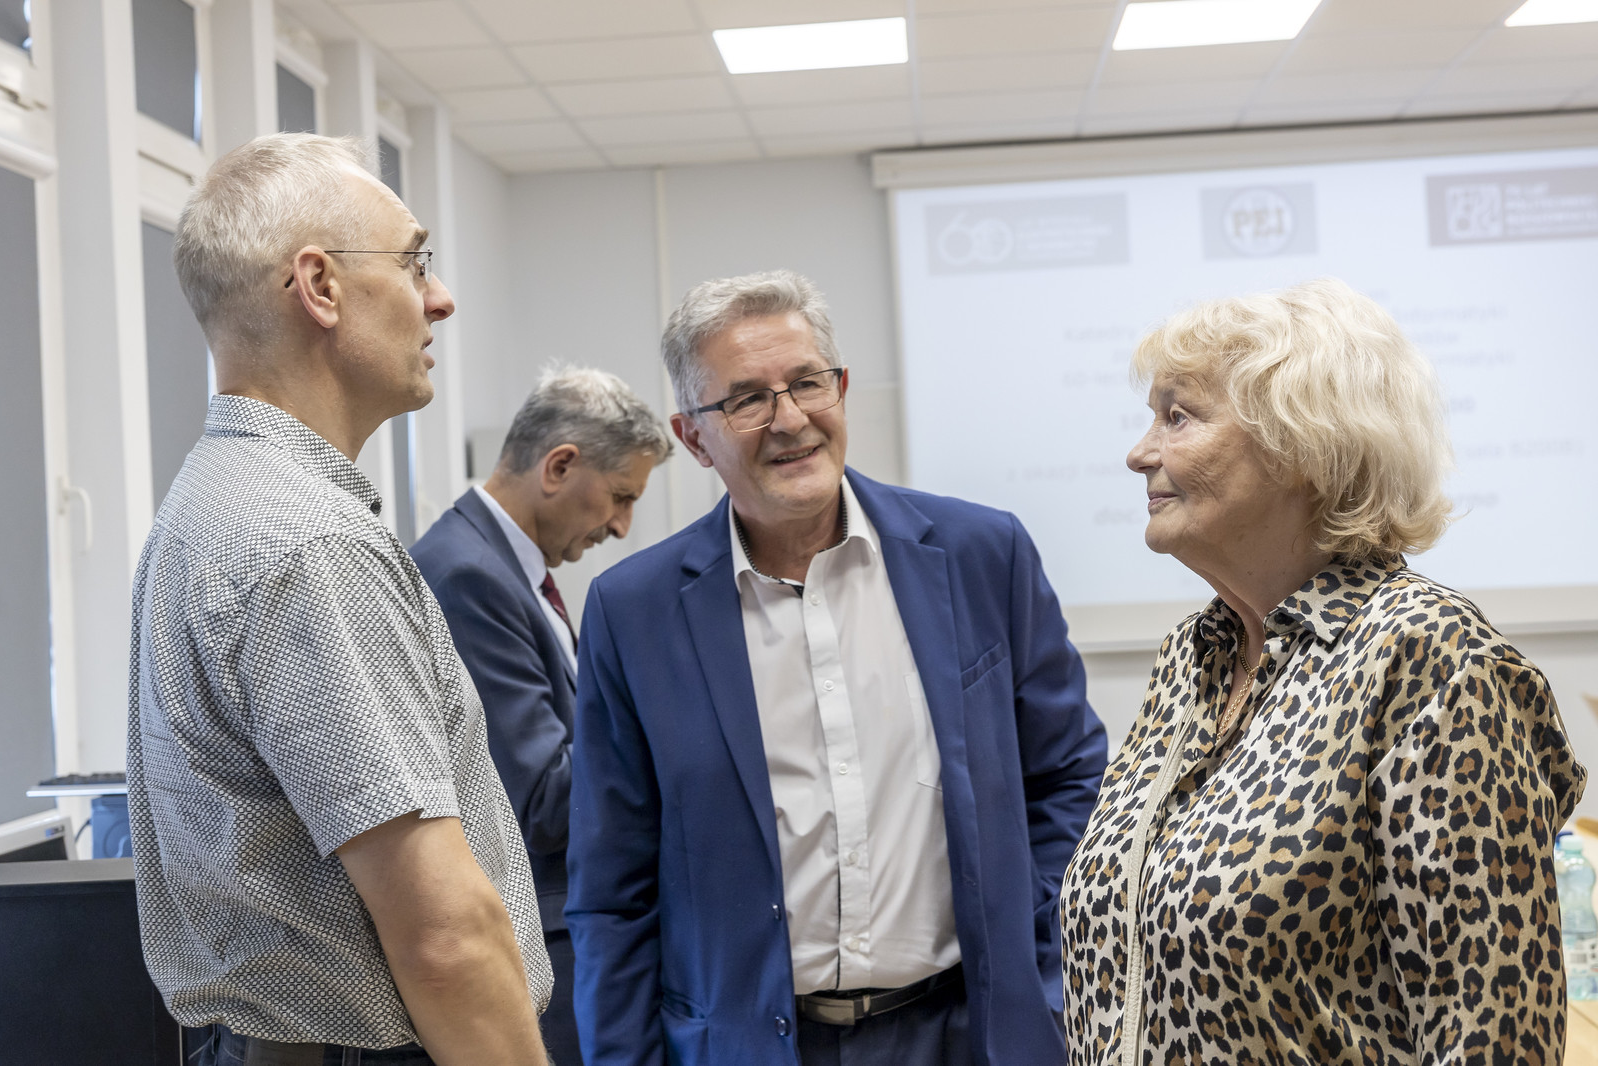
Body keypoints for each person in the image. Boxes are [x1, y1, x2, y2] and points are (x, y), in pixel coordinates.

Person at [566, 269, 1108, 1066]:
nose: (790, 420)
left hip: (970, 1034)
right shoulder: (634, 612)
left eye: (808, 383)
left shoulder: (982, 556)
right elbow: (612, 890)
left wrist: (1042, 960)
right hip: (753, 1047)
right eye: (747, 400)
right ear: (694, 438)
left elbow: (1068, 776)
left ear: (841, 389)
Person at [1060, 277, 1588, 1065]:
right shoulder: (1189, 658)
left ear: (1300, 448)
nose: (1140, 453)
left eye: (1178, 416)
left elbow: (1493, 1035)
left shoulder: (1432, 660)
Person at [125, 133, 553, 1066]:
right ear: (319, 286)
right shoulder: (308, 545)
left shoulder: (214, 498)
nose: (440, 298)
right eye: (413, 262)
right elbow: (442, 936)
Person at [410, 366, 672, 1064]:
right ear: (559, 466)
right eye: (621, 497)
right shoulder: (467, 574)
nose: (622, 525)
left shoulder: (507, 572)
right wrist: (666, 712)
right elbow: (540, 801)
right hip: (543, 945)